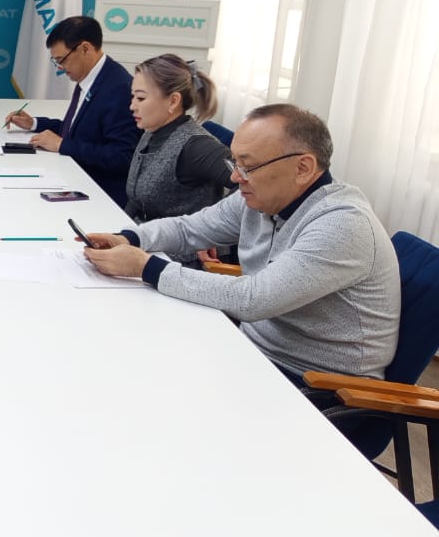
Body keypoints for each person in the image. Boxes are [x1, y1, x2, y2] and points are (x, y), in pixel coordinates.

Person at [83, 104, 399, 380]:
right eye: (234, 163)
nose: (236, 177)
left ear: (303, 168)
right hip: (250, 351)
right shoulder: (261, 197)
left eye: (248, 166)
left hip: (313, 385)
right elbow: (190, 229)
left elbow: (253, 300)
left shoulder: (342, 223)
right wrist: (129, 238)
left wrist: (145, 267)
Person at [4, 15, 140, 206]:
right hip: (75, 176)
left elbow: (122, 156)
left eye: (62, 60)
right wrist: (34, 123)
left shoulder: (119, 88)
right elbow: (79, 130)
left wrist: (62, 145)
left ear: (85, 49)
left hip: (100, 195)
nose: (60, 67)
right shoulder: (90, 76)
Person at [124, 54, 234, 224]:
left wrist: (214, 226)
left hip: (178, 241)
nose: (132, 106)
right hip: (144, 233)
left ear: (173, 101)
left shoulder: (196, 146)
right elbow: (136, 201)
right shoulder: (151, 133)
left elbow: (250, 182)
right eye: (133, 97)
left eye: (140, 98)